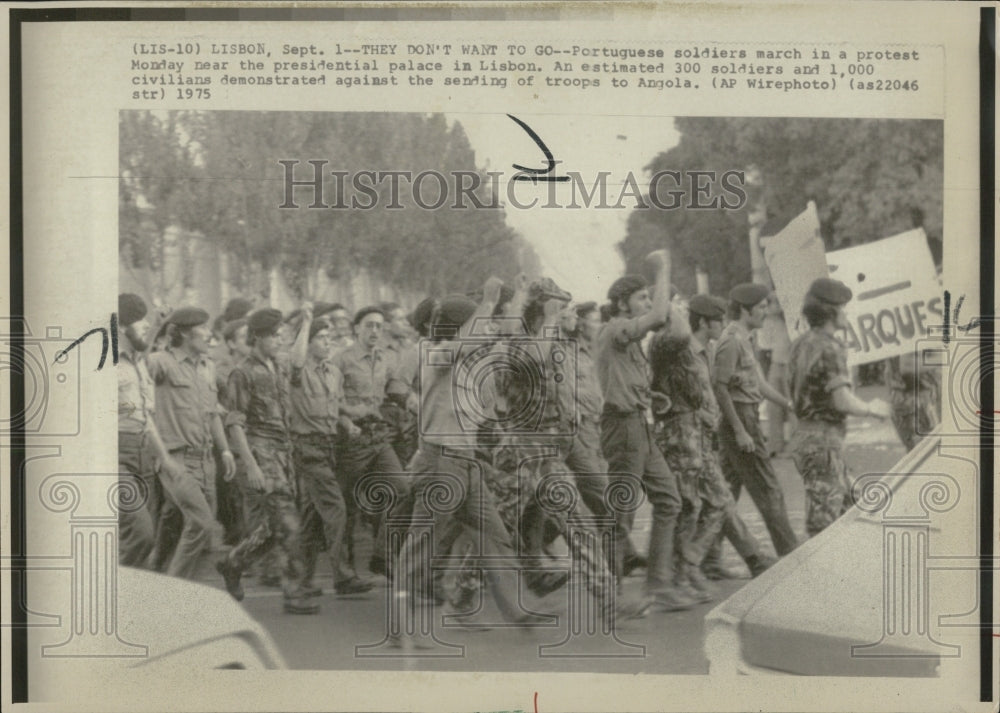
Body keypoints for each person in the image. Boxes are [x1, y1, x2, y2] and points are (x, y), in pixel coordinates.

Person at [650, 294, 773, 599]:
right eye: (718, 320)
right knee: (688, 506)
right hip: (680, 438)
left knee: (719, 502)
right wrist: (673, 304)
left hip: (702, 440)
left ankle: (689, 564)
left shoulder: (707, 350)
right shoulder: (678, 350)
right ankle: (680, 574)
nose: (723, 324)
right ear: (704, 322)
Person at [596, 249, 695, 613]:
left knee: (669, 500)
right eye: (641, 297)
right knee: (621, 511)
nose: (648, 303)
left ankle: (658, 586)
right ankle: (609, 594)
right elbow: (658, 317)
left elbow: (622, 378)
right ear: (622, 303)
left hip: (639, 424)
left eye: (647, 297)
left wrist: (650, 397)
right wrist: (662, 269)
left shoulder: (626, 338)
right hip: (623, 428)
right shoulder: (616, 329)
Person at [216, 305, 319, 615]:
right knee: (289, 524)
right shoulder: (243, 372)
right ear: (257, 337)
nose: (279, 340)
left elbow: (298, 360)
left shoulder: (279, 365)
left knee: (275, 528)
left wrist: (306, 324)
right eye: (274, 335)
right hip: (262, 452)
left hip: (284, 453)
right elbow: (235, 422)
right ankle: (294, 594)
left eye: (281, 335)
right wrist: (251, 465)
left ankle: (233, 562)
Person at [788, 278, 892, 537]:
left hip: (806, 436)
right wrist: (873, 409)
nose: (846, 313)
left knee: (854, 505)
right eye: (843, 308)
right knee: (824, 523)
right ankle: (819, 565)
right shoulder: (831, 347)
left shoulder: (800, 343)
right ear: (830, 312)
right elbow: (842, 400)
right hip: (823, 441)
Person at [145, 307, 237, 579]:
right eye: (203, 329)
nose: (209, 335)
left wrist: (225, 451)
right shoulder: (162, 362)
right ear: (185, 333)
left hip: (206, 460)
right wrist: (157, 327)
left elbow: (212, 414)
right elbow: (135, 364)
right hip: (176, 459)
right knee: (201, 523)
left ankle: (158, 568)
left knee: (194, 529)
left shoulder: (207, 366)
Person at [289, 315, 374, 596]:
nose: (328, 343)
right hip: (307, 447)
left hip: (329, 446)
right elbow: (296, 360)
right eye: (321, 339)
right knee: (336, 509)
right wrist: (305, 322)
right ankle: (343, 575)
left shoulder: (333, 373)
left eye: (330, 338)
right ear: (307, 343)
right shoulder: (299, 371)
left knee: (312, 517)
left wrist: (348, 424)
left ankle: (301, 580)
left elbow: (335, 408)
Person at [713, 282, 799, 558]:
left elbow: (760, 384)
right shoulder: (731, 341)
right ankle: (790, 552)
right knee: (768, 488)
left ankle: (704, 557)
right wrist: (740, 431)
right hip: (740, 419)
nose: (766, 312)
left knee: (725, 493)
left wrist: (789, 404)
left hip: (744, 417)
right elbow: (720, 388)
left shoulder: (746, 338)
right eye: (761, 307)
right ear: (745, 310)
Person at [331, 306, 411, 579]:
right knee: (347, 507)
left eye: (379, 325)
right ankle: (345, 573)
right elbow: (330, 400)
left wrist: (413, 402)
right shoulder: (341, 360)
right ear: (356, 329)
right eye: (369, 325)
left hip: (378, 437)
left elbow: (396, 390)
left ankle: (383, 555)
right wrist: (347, 422)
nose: (375, 330)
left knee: (402, 490)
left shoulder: (386, 358)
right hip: (350, 440)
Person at [117, 293, 179, 568]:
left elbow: (145, 415)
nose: (146, 327)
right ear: (121, 328)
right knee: (141, 533)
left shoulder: (137, 361)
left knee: (144, 538)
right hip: (116, 455)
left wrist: (164, 458)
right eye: (139, 322)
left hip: (143, 452)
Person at [885, 352, 941, 451]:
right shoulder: (908, 343)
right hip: (915, 400)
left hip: (905, 398)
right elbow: (907, 365)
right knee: (926, 451)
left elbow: (887, 372)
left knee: (918, 451)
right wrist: (943, 359)